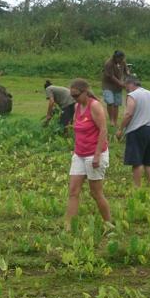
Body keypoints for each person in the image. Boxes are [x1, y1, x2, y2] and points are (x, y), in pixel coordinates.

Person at [65, 79, 111, 226]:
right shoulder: (77, 106)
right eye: (72, 95)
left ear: (85, 92)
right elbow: (77, 129)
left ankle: (108, 223)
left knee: (95, 192)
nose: (74, 98)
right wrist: (76, 148)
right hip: (79, 153)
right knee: (73, 190)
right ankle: (68, 225)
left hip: (94, 154)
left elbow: (103, 130)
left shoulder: (95, 106)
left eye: (76, 95)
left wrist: (97, 155)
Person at [116, 75, 150, 187]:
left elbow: (129, 114)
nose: (126, 89)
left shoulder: (132, 95)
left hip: (138, 130)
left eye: (126, 86)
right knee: (149, 162)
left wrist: (121, 129)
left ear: (130, 84)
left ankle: (137, 188)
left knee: (137, 161)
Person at [102, 50, 130, 128]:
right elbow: (111, 77)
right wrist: (121, 83)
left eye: (122, 59)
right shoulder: (109, 63)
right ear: (116, 57)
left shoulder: (122, 61)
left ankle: (115, 121)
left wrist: (128, 73)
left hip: (118, 87)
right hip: (108, 85)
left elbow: (126, 70)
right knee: (110, 102)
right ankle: (111, 120)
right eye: (120, 59)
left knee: (116, 104)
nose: (121, 60)